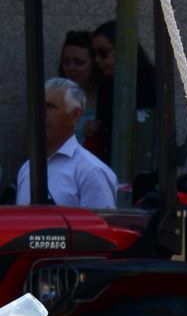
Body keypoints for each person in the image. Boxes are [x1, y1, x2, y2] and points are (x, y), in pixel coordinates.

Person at [14, 80, 119, 210]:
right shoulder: (27, 168)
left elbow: (99, 222)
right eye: (38, 106)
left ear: (75, 115)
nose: (40, 113)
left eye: (50, 107)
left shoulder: (91, 170)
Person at [90, 21, 158, 165]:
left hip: (140, 169)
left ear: (123, 48)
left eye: (103, 53)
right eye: (94, 54)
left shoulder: (149, 84)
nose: (97, 60)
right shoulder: (105, 86)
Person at [58, 30, 100, 144]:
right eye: (66, 61)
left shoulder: (109, 97)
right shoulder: (54, 98)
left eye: (79, 62)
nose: (71, 68)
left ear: (95, 63)